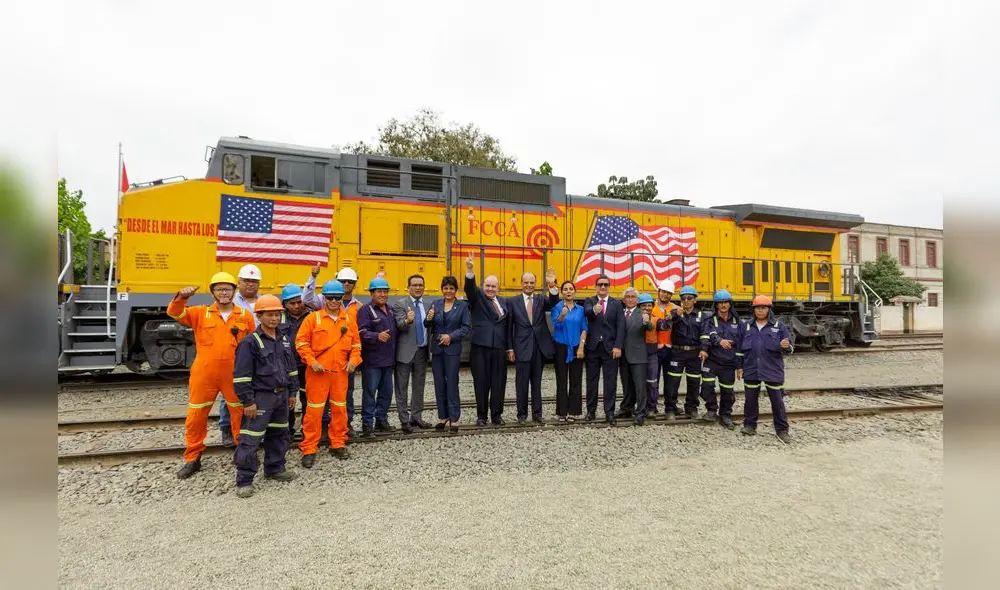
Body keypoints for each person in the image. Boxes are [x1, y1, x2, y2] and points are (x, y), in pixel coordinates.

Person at [167, 272, 254, 479]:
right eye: (219, 289)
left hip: (234, 374)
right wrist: (182, 296)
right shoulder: (199, 313)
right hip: (204, 374)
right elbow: (174, 313)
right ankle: (192, 458)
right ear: (213, 292)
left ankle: (241, 453)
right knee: (196, 416)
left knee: (239, 414)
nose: (223, 293)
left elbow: (251, 346)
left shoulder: (245, 315)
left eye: (227, 289)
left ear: (234, 291)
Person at [232, 294, 299, 498]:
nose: (274, 319)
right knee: (250, 439)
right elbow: (241, 375)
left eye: (277, 314)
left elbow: (291, 368)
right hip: (261, 398)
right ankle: (244, 480)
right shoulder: (249, 343)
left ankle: (275, 468)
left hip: (281, 396)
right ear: (259, 316)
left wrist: (293, 392)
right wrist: (248, 401)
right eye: (269, 315)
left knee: (279, 435)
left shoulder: (284, 339)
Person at [294, 279, 362, 465]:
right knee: (314, 411)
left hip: (340, 373)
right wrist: (311, 361)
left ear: (341, 298)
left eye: (337, 298)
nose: (333, 301)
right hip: (318, 373)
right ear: (324, 298)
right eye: (330, 297)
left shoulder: (348, 320)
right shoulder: (313, 318)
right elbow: (301, 343)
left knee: (340, 409)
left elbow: (356, 345)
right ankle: (309, 448)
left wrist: (353, 362)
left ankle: (338, 443)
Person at [506, 269, 560, 425]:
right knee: (521, 383)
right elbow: (509, 327)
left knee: (537, 383)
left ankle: (537, 414)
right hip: (521, 347)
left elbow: (554, 302)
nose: (529, 285)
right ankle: (521, 415)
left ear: (535, 284)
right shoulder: (512, 302)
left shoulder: (541, 299)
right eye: (526, 282)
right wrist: (510, 348)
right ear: (521, 284)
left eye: (532, 282)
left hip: (538, 347)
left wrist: (552, 285)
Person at [738, 295, 793, 443]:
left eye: (763, 307)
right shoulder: (746, 326)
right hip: (751, 369)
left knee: (777, 401)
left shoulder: (778, 326)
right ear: (753, 310)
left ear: (769, 309)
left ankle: (782, 430)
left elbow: (789, 347)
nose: (760, 310)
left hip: (772, 369)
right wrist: (739, 367)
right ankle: (749, 426)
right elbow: (739, 349)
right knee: (750, 400)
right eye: (757, 308)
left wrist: (786, 347)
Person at [218, 263, 262, 447]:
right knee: (229, 392)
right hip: (234, 353)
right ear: (239, 282)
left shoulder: (264, 301)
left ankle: (251, 429)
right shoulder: (230, 302)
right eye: (247, 281)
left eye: (254, 281)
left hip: (259, 353)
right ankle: (226, 428)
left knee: (255, 391)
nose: (250, 284)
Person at [464, 253, 510, 426]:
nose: (490, 289)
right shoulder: (478, 298)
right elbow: (470, 289)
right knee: (481, 382)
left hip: (499, 347)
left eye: (493, 286)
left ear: (498, 288)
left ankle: (496, 415)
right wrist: (470, 270)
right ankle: (481, 416)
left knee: (499, 382)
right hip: (480, 347)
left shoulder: (504, 302)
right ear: (483, 287)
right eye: (487, 286)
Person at [424, 276, 471, 433]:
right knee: (439, 384)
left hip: (452, 350)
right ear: (442, 289)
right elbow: (428, 324)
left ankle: (454, 418)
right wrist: (428, 319)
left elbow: (466, 328)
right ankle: (443, 417)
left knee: (451, 383)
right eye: (445, 288)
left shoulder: (462, 306)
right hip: (437, 349)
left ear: (455, 290)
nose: (448, 291)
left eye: (451, 288)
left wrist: (451, 337)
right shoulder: (435, 304)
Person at [357, 276, 397, 437]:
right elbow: (361, 332)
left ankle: (381, 420)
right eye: (379, 291)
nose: (383, 294)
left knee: (386, 393)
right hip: (372, 361)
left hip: (388, 360)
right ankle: (367, 425)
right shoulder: (365, 311)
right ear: (372, 294)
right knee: (369, 393)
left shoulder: (391, 310)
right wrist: (376, 336)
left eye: (385, 291)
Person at [392, 274, 432, 434]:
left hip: (422, 351)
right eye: (414, 285)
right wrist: (408, 321)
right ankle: (404, 420)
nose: (418, 288)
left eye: (420, 285)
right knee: (401, 388)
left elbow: (430, 326)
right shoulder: (400, 304)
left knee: (419, 386)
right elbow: (400, 326)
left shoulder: (428, 304)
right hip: (404, 352)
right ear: (408, 287)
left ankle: (416, 417)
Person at [583, 275, 625, 425]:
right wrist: (594, 309)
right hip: (593, 348)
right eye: (600, 284)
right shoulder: (590, 301)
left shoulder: (616, 303)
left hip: (610, 349)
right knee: (591, 381)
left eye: (605, 285)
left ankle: (609, 412)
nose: (603, 287)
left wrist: (618, 346)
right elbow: (587, 312)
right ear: (596, 286)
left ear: (609, 287)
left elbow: (621, 326)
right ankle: (591, 411)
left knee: (610, 382)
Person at [698, 289, 741, 429]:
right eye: (720, 303)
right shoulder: (709, 320)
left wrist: (740, 365)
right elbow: (706, 335)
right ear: (716, 305)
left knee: (728, 392)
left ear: (730, 304)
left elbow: (742, 342)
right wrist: (710, 346)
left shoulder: (738, 321)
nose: (723, 305)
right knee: (707, 386)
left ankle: (725, 415)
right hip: (712, 360)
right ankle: (711, 410)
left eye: (725, 302)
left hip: (729, 362)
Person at [665, 285, 705, 420]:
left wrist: (704, 349)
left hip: (694, 354)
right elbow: (667, 321)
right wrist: (675, 314)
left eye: (689, 298)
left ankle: (691, 408)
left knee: (694, 382)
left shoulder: (701, 315)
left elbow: (705, 334)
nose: (686, 300)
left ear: (695, 300)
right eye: (683, 298)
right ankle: (670, 409)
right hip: (678, 352)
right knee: (673, 382)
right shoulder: (676, 313)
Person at [278, 283, 310, 441]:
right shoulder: (278, 317)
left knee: (307, 399)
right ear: (284, 304)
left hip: (305, 365)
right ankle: (288, 428)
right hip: (285, 366)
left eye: (299, 302)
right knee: (286, 399)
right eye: (292, 303)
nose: (296, 306)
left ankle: (307, 427)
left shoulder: (311, 315)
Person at [551, 280, 587, 422]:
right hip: (561, 347)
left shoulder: (581, 309)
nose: (568, 291)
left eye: (571, 289)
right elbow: (556, 323)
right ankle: (562, 412)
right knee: (561, 380)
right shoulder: (557, 307)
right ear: (562, 292)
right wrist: (562, 315)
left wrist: (581, 347)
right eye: (565, 289)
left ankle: (573, 411)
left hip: (577, 346)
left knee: (576, 380)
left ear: (574, 291)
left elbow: (584, 328)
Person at [617, 288, 653, 425]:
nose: (630, 299)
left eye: (633, 297)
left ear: (637, 300)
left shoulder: (642, 313)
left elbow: (649, 327)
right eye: (628, 297)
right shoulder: (620, 313)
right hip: (623, 355)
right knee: (626, 384)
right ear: (624, 300)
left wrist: (646, 321)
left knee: (640, 386)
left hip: (638, 355)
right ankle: (627, 408)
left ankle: (640, 413)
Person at [648, 280, 675, 415]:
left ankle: (670, 407)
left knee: (670, 381)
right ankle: (652, 406)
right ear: (658, 292)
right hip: (655, 349)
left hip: (670, 349)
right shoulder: (651, 308)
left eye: (668, 293)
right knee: (653, 379)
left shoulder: (675, 308)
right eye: (663, 292)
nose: (665, 295)